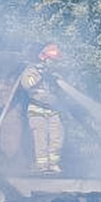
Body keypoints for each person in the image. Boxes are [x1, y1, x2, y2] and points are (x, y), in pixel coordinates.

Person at [20, 42, 65, 174]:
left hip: (53, 110)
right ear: (44, 58)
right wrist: (40, 75)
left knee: (58, 137)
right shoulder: (31, 71)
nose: (53, 64)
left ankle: (53, 164)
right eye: (51, 61)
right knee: (40, 138)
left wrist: (55, 76)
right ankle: (42, 166)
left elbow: (61, 89)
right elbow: (26, 85)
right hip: (37, 111)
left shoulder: (54, 74)